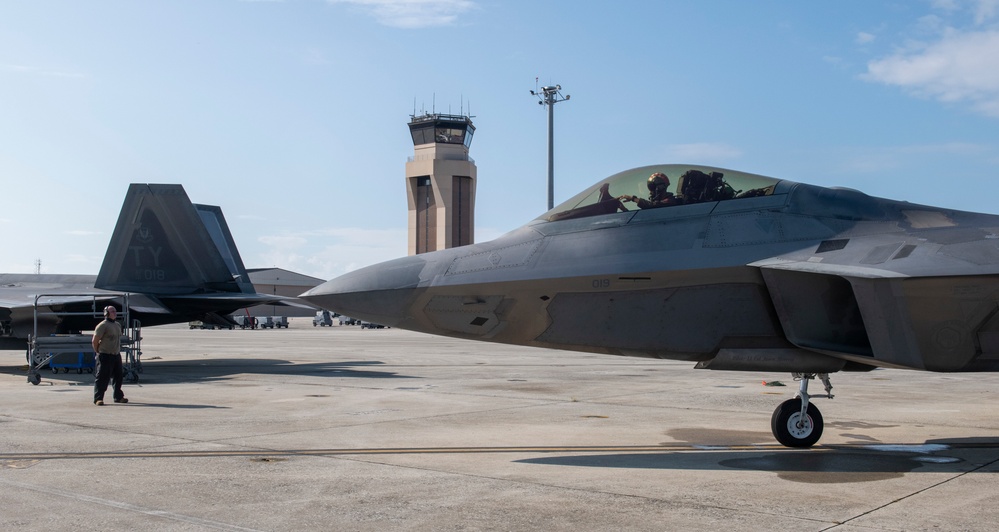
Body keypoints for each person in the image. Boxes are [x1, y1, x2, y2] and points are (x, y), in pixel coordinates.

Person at [91, 305, 128, 406]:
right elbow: (95, 341)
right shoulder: (102, 325)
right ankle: (98, 398)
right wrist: (98, 352)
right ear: (106, 313)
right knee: (102, 377)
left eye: (115, 311)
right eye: (112, 312)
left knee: (118, 376)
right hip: (105, 355)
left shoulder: (117, 325)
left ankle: (118, 397)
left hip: (116, 354)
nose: (115, 313)